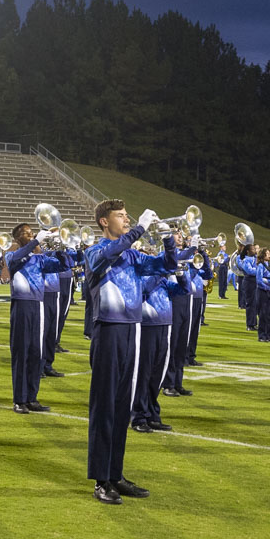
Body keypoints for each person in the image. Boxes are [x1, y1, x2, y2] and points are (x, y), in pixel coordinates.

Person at [84, 200, 175, 504]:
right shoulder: (95, 251)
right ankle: (100, 479)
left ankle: (116, 474)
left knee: (123, 407)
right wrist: (138, 230)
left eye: (126, 216)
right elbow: (107, 256)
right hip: (109, 330)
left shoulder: (133, 254)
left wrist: (167, 237)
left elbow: (168, 265)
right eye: (120, 216)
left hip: (134, 330)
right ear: (104, 223)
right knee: (105, 406)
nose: (125, 219)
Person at [5, 223, 70, 414]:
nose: (32, 235)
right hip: (22, 306)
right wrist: (36, 240)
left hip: (39, 305)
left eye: (32, 233)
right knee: (21, 353)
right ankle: (19, 399)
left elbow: (64, 266)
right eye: (27, 234)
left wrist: (60, 249)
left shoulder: (39, 259)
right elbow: (16, 258)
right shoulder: (12, 255)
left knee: (36, 353)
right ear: (18, 239)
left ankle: (32, 398)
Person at [133, 269, 178, 433]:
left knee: (157, 376)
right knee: (144, 375)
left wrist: (181, 274)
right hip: (148, 328)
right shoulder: (142, 277)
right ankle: (138, 416)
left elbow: (183, 289)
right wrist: (161, 272)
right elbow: (145, 288)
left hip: (165, 327)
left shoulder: (163, 280)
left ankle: (152, 415)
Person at [160, 235, 202, 396]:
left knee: (182, 345)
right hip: (174, 299)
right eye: (176, 234)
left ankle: (178, 382)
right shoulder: (168, 253)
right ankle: (167, 383)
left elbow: (192, 273)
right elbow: (176, 258)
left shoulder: (187, 255)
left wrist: (199, 253)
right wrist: (192, 248)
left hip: (187, 300)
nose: (180, 236)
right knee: (173, 343)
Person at [254, 247, 270, 342]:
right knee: (262, 314)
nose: (269, 255)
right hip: (262, 292)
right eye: (267, 253)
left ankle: (268, 335)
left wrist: (269, 280)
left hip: (268, 292)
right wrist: (267, 284)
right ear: (263, 255)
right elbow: (259, 280)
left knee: (268, 314)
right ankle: (262, 336)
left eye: (269, 253)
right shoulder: (260, 266)